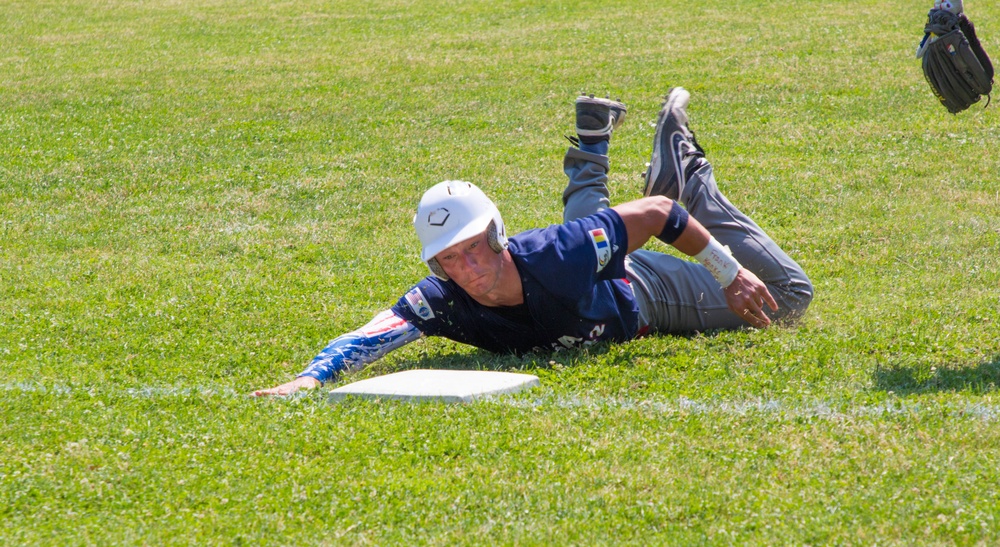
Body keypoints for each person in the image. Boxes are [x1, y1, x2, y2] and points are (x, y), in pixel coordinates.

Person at [252, 88, 813, 397]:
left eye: (473, 247)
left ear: (498, 236)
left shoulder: (554, 255)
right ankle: (592, 142)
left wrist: (727, 272)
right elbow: (370, 336)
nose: (466, 266)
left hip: (643, 293)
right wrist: (309, 379)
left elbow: (658, 215)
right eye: (450, 257)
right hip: (587, 263)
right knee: (590, 241)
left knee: (790, 297)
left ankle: (690, 177)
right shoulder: (441, 298)